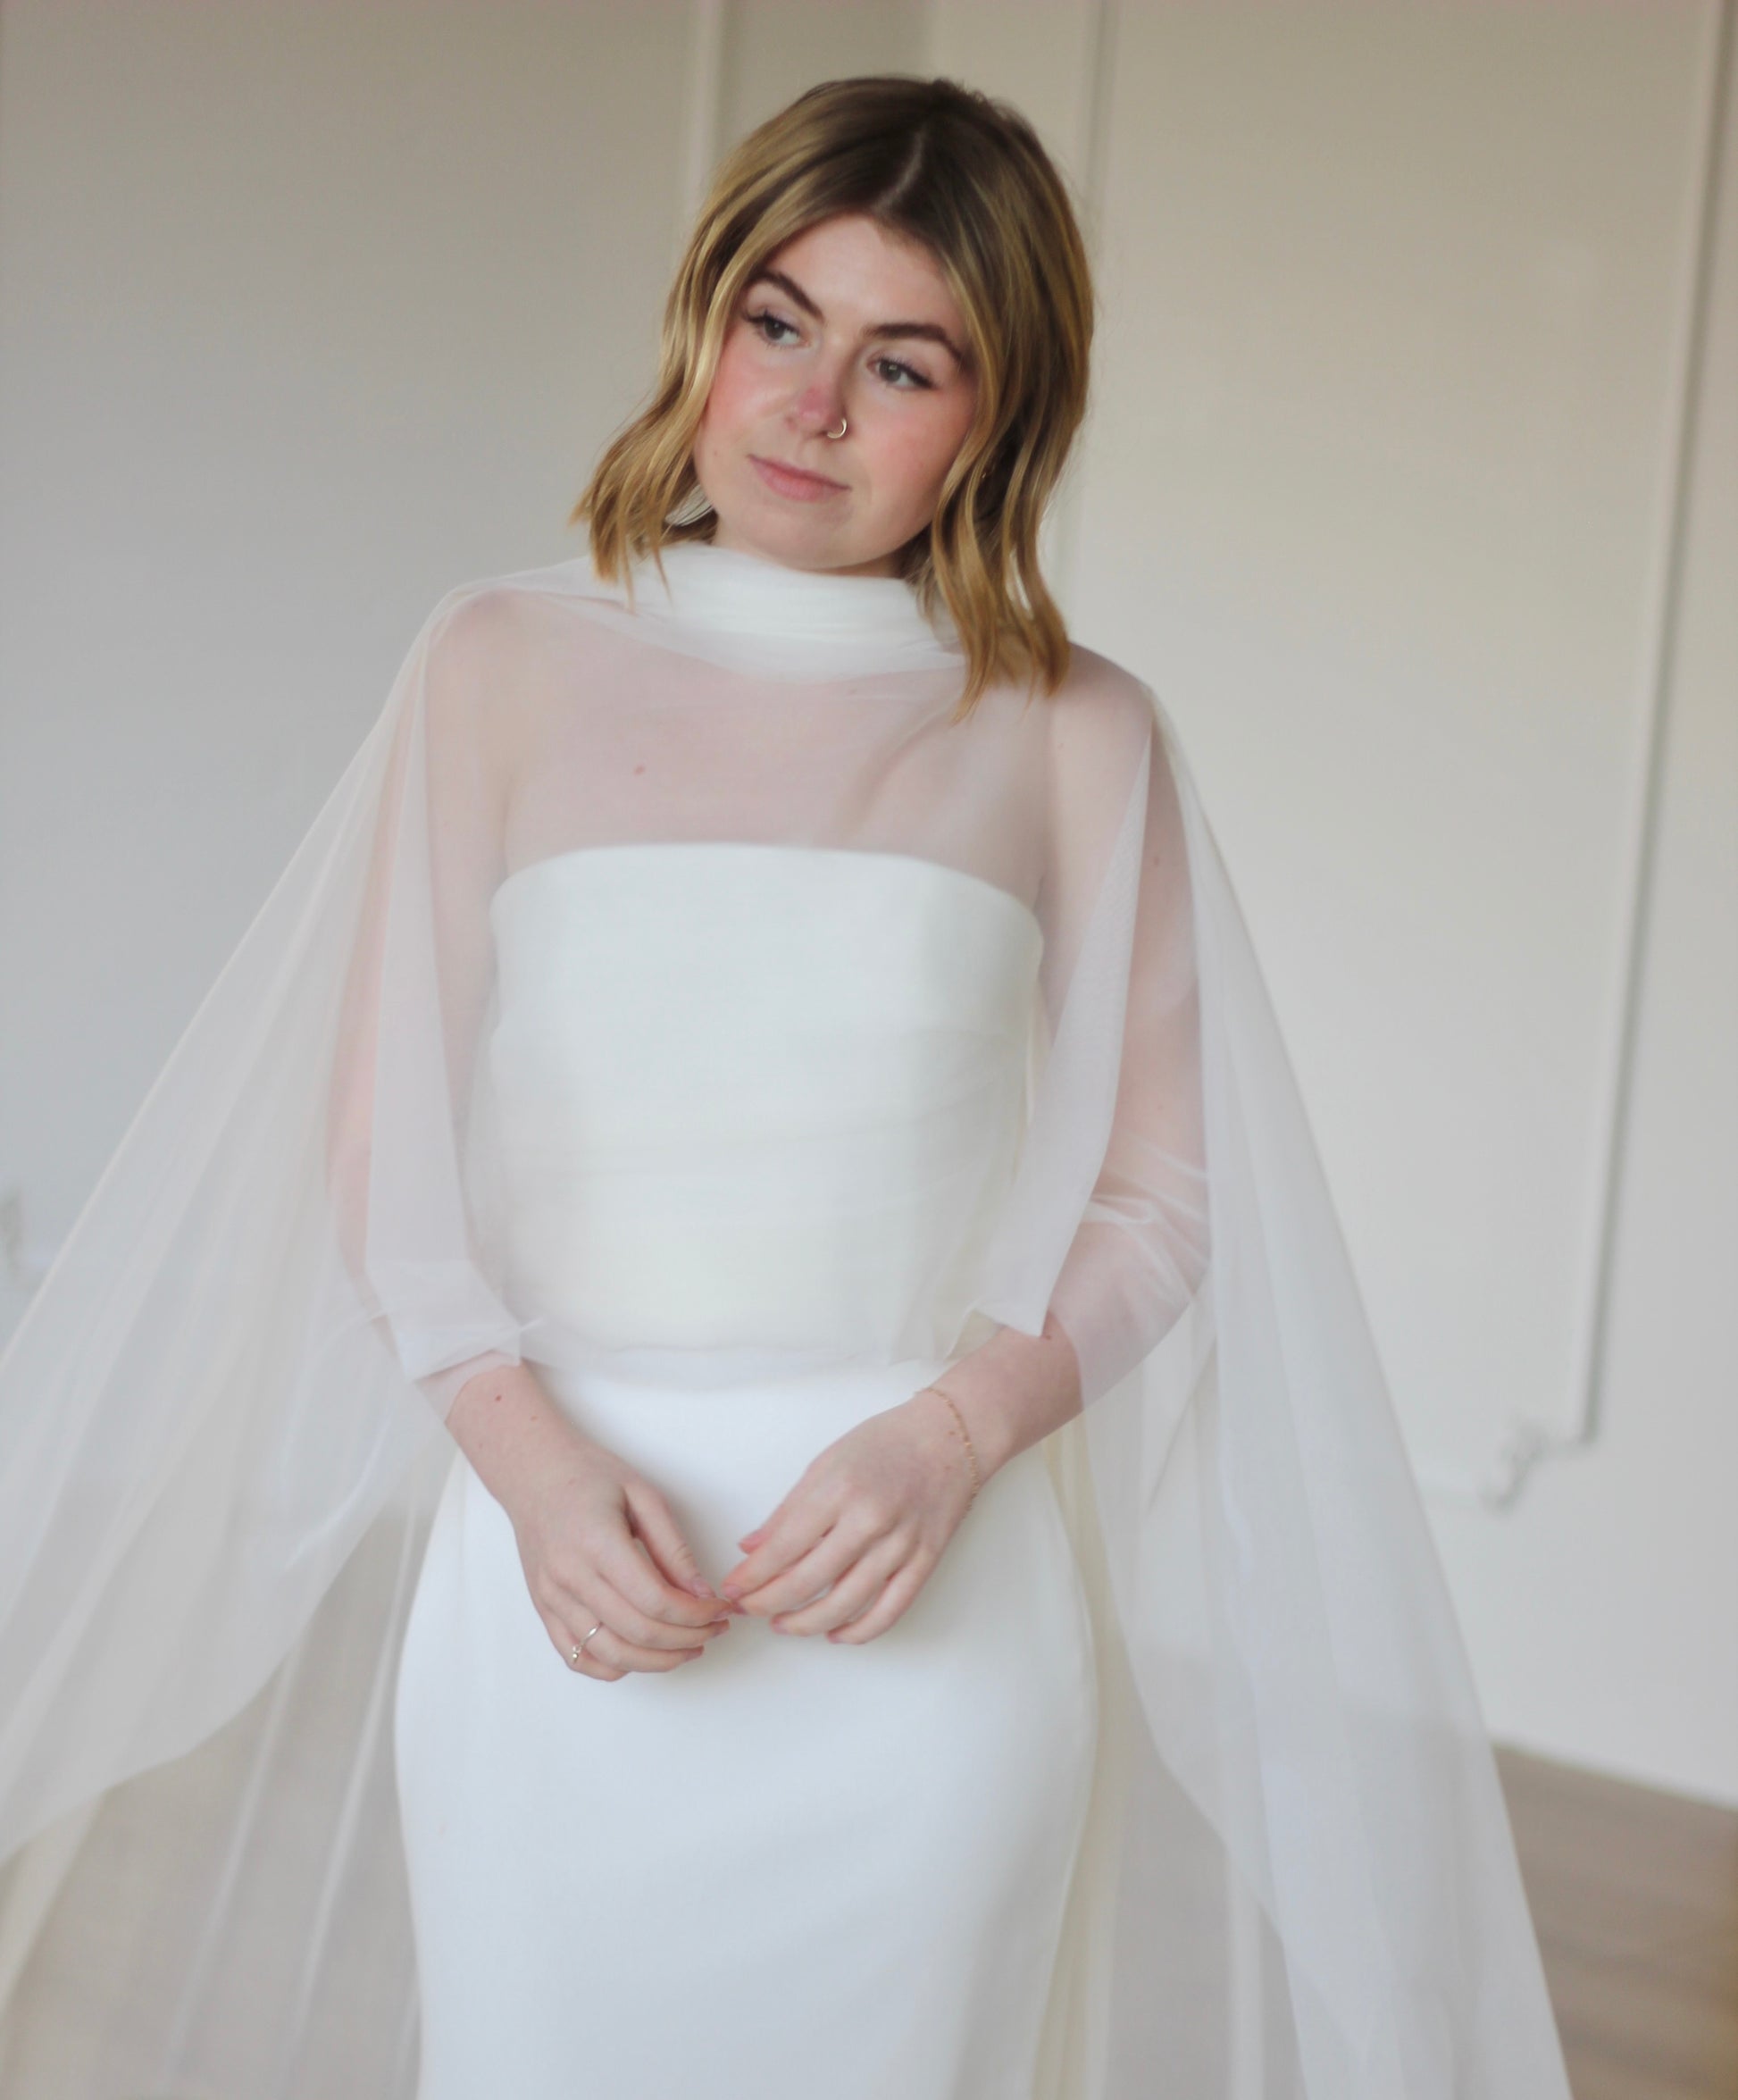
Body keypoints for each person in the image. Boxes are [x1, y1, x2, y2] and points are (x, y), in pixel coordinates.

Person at [0, 73, 1573, 2100]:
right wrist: (530, 1464)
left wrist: (948, 1442)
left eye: (900, 361)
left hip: (919, 1608)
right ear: (705, 328)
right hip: (562, 1579)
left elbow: (1166, 1194)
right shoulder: (493, 658)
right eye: (777, 322)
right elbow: (384, 1146)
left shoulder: (1080, 730)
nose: (812, 405)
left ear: (1001, 415)